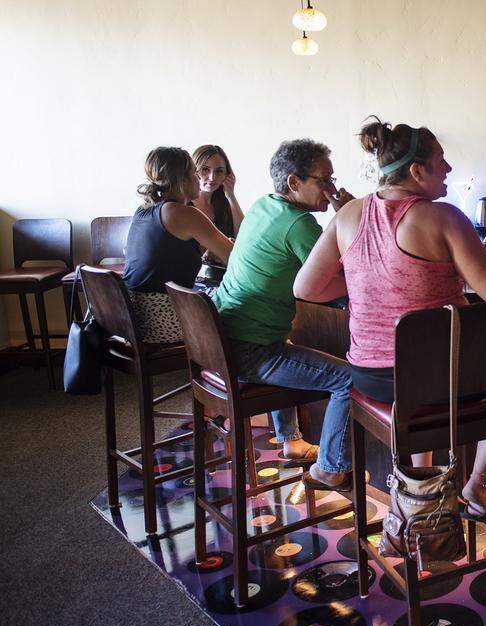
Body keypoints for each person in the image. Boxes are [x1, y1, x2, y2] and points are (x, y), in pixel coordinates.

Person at [294, 117, 486, 517]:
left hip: (370, 378)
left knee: (424, 376)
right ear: (417, 172)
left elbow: (306, 288)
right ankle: (477, 486)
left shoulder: (347, 214)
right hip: (438, 380)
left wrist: (375, 281)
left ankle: (425, 490)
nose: (448, 169)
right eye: (442, 161)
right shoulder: (442, 217)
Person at [212, 139, 356, 484]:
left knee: (287, 338)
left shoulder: (264, 206)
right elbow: (343, 276)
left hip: (222, 338)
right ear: (294, 182)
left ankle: (290, 439)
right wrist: (350, 218)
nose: (332, 188)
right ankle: (332, 468)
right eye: (324, 180)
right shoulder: (300, 224)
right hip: (252, 350)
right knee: (350, 379)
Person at [122, 147, 232, 343]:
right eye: (194, 173)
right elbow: (234, 257)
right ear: (181, 180)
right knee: (241, 307)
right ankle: (234, 370)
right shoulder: (183, 213)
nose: (199, 178)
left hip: (129, 317)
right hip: (162, 321)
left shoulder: (145, 209)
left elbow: (170, 254)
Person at [191, 144, 244, 238]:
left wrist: (231, 196)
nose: (212, 177)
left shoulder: (224, 202)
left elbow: (244, 236)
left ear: (226, 175)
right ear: (194, 170)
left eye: (219, 171)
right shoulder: (184, 204)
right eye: (205, 169)